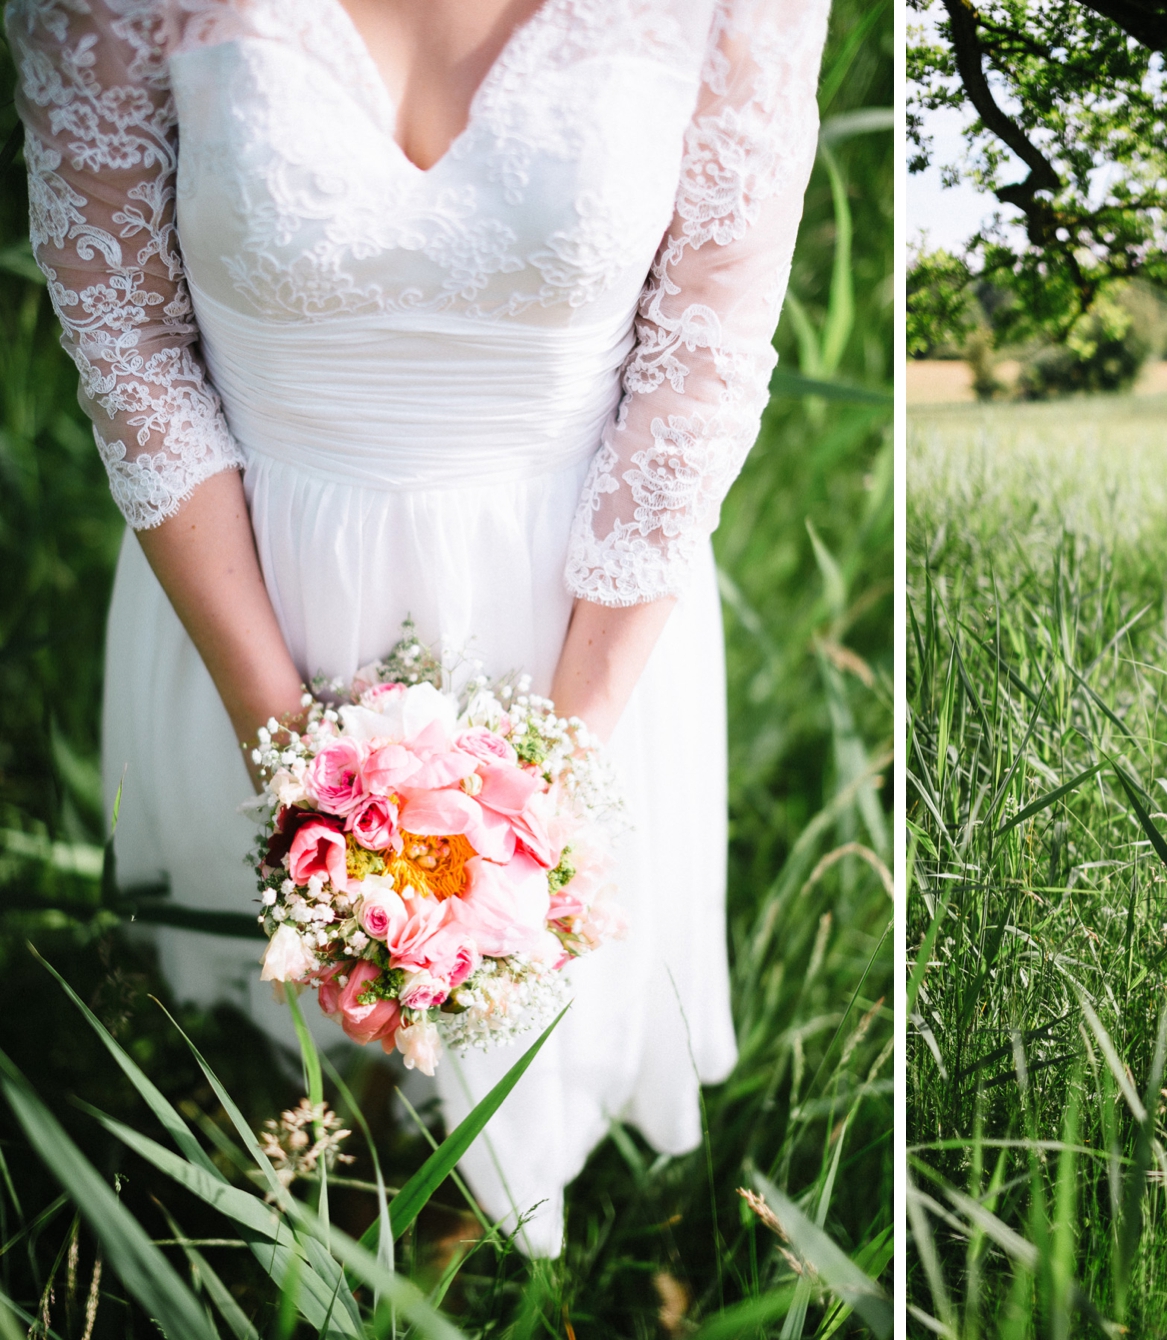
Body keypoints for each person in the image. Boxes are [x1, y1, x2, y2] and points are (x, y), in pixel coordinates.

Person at [7, 0, 830, 1255]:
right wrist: (283, 738)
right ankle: (307, 1167)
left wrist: (551, 773)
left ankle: (483, 1227)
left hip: (578, 599)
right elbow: (126, 336)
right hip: (247, 585)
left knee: (521, 988)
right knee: (269, 999)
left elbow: (704, 360)